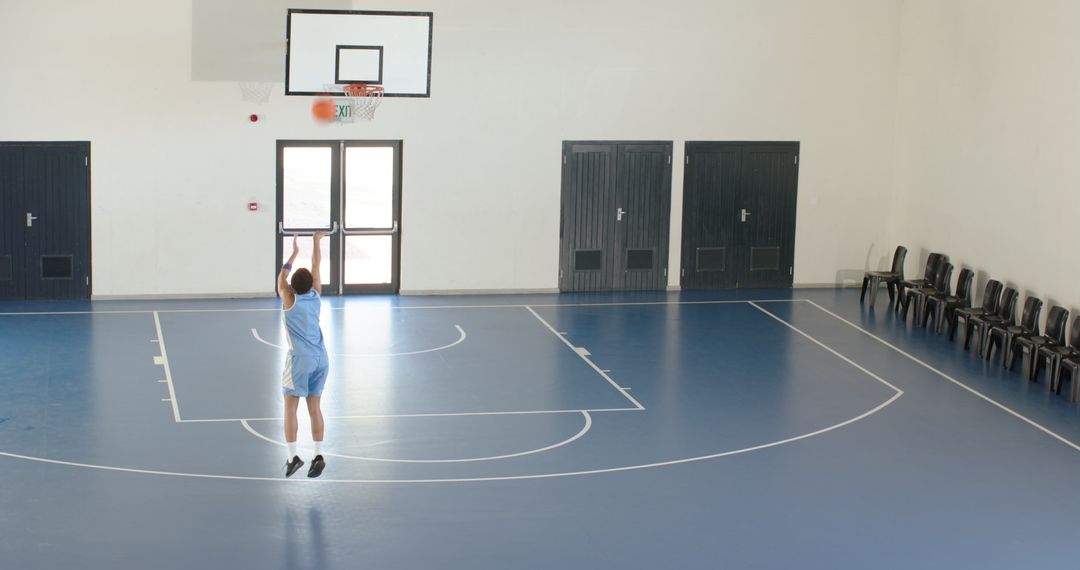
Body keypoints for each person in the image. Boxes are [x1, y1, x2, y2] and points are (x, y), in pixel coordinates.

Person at [277, 232, 329, 478]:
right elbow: (317, 265)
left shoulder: (288, 298)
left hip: (300, 360)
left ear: (292, 288)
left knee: (289, 406)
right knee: (314, 406)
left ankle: (292, 457)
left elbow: (281, 277)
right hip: (322, 358)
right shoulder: (316, 294)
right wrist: (316, 241)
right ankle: (318, 455)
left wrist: (293, 252)